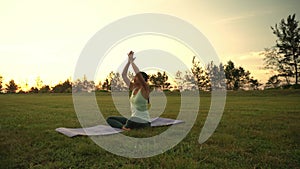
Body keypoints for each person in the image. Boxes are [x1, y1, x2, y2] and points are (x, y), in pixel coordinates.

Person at [106, 51, 151, 131]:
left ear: (142, 79)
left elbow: (138, 73)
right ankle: (124, 127)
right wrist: (128, 62)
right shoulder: (133, 88)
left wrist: (131, 61)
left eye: (136, 77)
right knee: (109, 119)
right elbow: (123, 75)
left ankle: (127, 126)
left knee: (132, 119)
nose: (134, 78)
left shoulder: (145, 88)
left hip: (144, 121)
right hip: (133, 119)